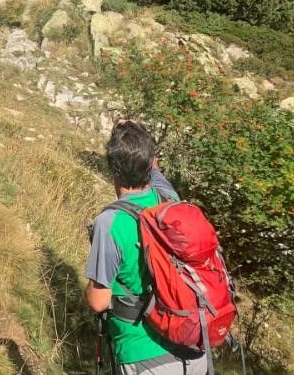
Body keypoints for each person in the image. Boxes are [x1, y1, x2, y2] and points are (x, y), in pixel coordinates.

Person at [85, 120, 207, 375]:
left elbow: (98, 302)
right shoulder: (168, 199)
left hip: (145, 356)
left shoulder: (110, 223)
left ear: (113, 170)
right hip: (193, 348)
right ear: (150, 163)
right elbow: (156, 172)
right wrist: (140, 137)